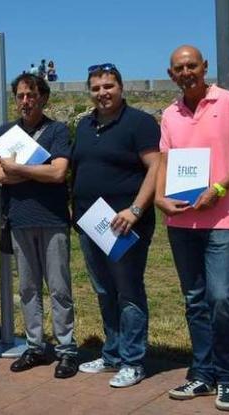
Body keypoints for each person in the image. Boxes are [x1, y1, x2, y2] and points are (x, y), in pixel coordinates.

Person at [155, 45, 229, 412]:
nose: (187, 72)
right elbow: (164, 162)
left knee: (221, 298)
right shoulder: (169, 114)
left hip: (222, 221)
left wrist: (219, 189)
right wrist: (159, 198)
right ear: (171, 75)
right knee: (195, 301)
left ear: (204, 67)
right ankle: (203, 372)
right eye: (179, 68)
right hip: (181, 220)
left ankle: (228, 378)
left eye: (192, 66)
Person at [71, 63, 160, 388]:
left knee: (129, 291)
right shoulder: (84, 125)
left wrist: (135, 210)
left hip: (125, 224)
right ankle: (112, 354)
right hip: (90, 224)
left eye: (108, 86)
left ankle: (133, 361)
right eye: (96, 88)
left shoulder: (140, 122)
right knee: (104, 290)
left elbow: (155, 167)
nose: (102, 93)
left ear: (121, 88)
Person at [0, 73, 78, 378]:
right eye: (20, 96)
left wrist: (16, 168)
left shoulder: (57, 131)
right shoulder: (6, 132)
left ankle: (66, 349)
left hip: (52, 219)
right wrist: (33, 170)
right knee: (28, 288)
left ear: (43, 98)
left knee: (59, 288)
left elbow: (58, 174)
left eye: (31, 95)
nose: (25, 101)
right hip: (19, 219)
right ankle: (36, 346)